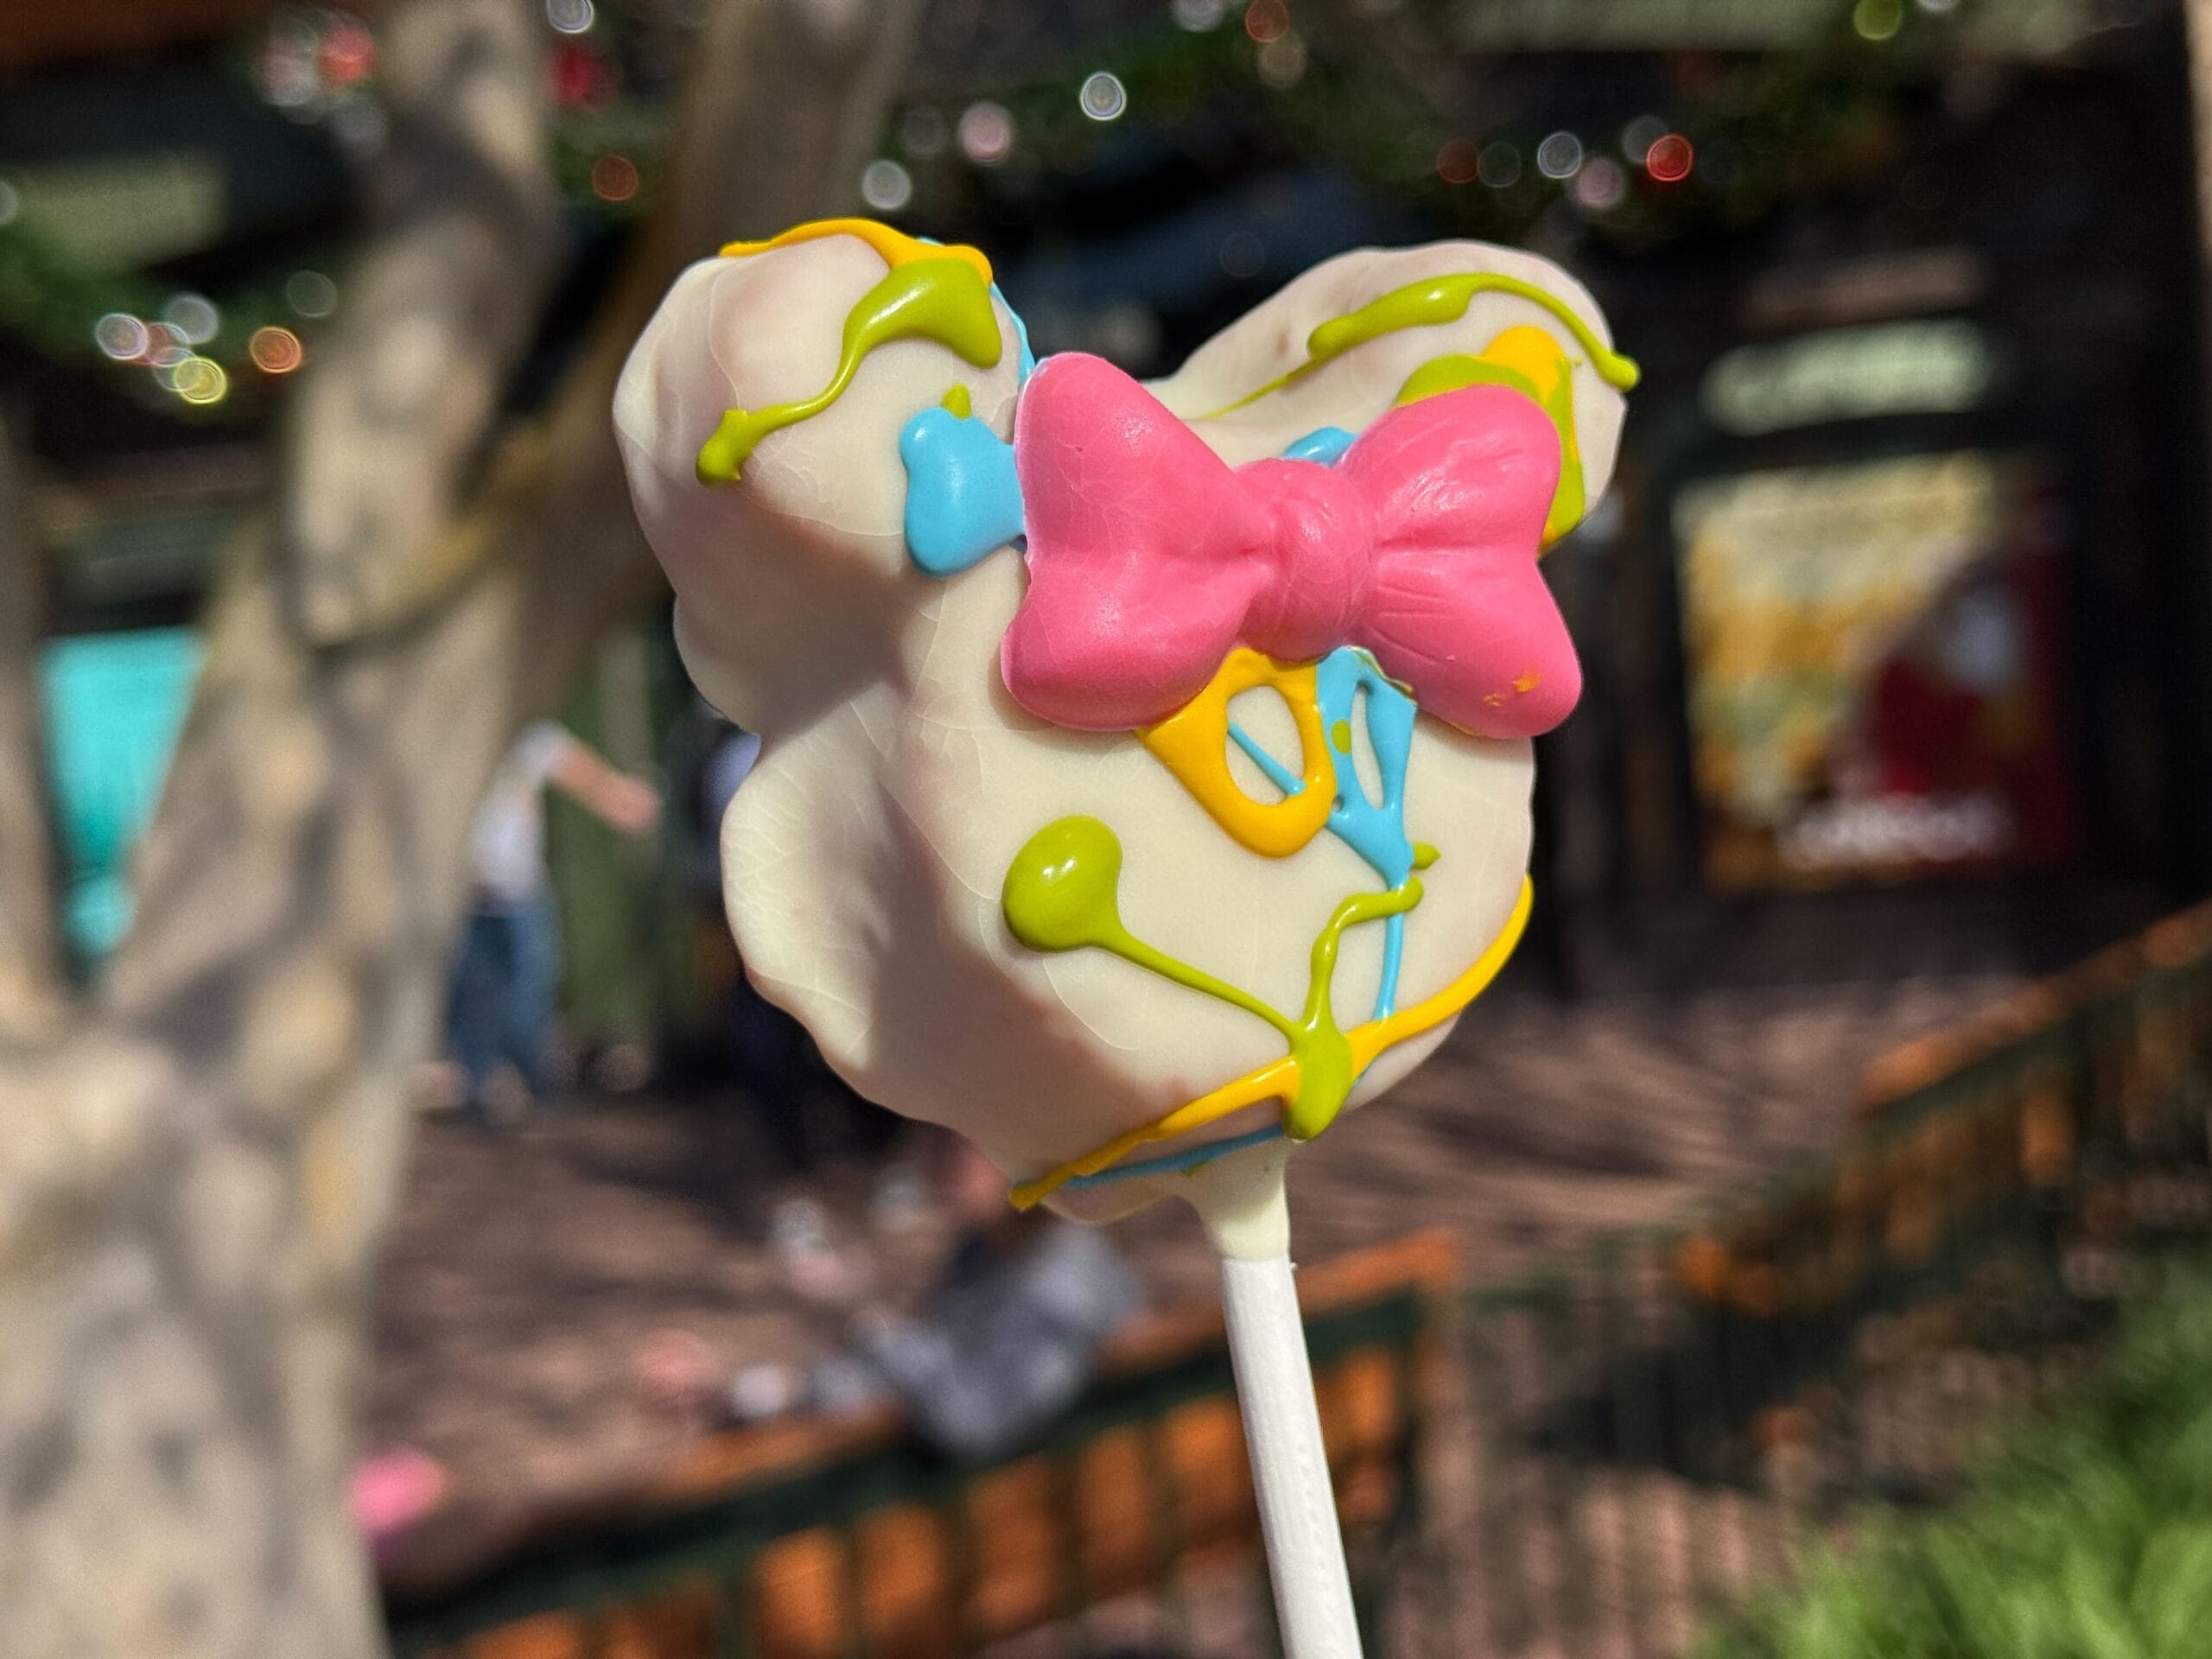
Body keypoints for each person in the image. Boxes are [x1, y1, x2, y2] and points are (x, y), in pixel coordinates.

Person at [728, 1135, 1144, 1462]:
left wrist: (868, 1318)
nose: (938, 1161)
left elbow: (978, 1424)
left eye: (960, 1145)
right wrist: (756, 1393)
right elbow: (926, 1369)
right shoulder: (981, 1251)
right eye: (936, 1142)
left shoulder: (1063, 1277)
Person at [447, 720, 660, 1122]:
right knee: (473, 995)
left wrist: (621, 800)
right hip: (464, 893)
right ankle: (478, 1090)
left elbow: (574, 767)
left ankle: (537, 1083)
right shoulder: (446, 740)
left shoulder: (524, 730)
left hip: (520, 890)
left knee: (530, 989)